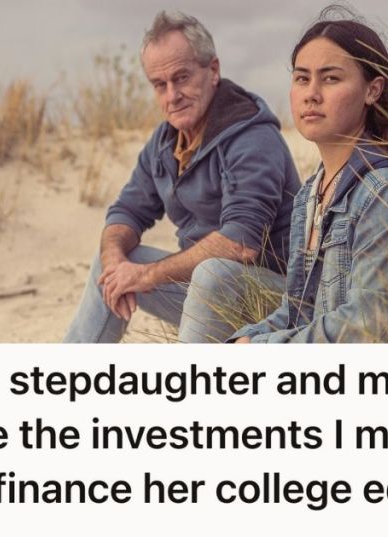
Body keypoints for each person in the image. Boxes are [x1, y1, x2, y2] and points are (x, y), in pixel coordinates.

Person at [64, 11, 299, 343]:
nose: (171, 95)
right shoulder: (165, 142)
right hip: (206, 293)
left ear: (213, 70)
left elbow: (240, 243)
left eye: (182, 78)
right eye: (160, 85)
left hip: (279, 304)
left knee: (212, 273)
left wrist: (148, 275)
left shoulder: (251, 136)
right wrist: (115, 257)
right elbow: (127, 212)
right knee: (113, 269)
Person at [232, 8, 388, 343]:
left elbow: (367, 325)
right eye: (302, 78)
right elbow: (297, 312)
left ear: (372, 90)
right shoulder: (310, 194)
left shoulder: (384, 189)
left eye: (331, 78)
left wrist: (261, 348)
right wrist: (243, 341)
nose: (311, 93)